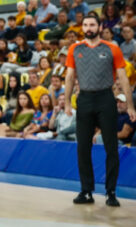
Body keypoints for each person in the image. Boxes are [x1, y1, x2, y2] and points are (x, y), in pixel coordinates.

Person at [64, 13, 135, 207]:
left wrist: (130, 105)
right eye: (86, 25)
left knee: (111, 147)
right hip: (84, 99)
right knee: (83, 148)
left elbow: (123, 78)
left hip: (106, 99)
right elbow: (69, 77)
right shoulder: (74, 49)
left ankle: (111, 192)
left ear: (100, 27)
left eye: (92, 25)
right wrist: (67, 103)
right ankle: (86, 191)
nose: (88, 28)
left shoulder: (112, 48)